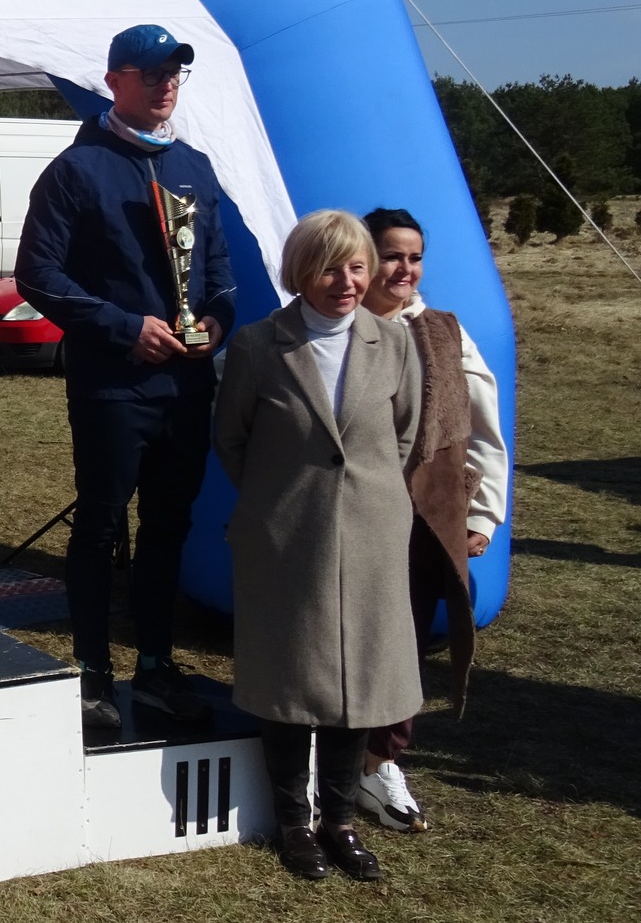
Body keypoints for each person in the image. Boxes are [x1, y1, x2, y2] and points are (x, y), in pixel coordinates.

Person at [13, 24, 235, 727]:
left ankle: (156, 664)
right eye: (151, 73)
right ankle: (92, 670)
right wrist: (123, 327)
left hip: (185, 388)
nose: (166, 84)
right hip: (113, 386)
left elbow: (220, 274)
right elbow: (37, 274)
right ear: (115, 81)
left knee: (169, 526)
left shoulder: (195, 167)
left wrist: (216, 325)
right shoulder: (77, 169)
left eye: (174, 73)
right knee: (101, 526)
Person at [214, 209, 421, 882]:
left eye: (358, 267)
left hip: (371, 534)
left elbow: (405, 434)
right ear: (301, 273)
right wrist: (282, 498)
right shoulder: (259, 346)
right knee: (289, 679)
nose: (348, 281)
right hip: (285, 534)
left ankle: (340, 820)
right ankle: (293, 823)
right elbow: (232, 439)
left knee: (358, 679)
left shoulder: (394, 342)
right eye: (331, 268)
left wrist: (365, 494)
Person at [355, 207, 510, 833]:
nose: (405, 269)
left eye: (415, 257)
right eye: (392, 255)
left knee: (405, 637)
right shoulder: (329, 324)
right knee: (339, 635)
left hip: (423, 516)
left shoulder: (444, 332)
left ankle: (380, 761)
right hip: (348, 513)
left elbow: (484, 428)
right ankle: (323, 758)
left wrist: (485, 513)